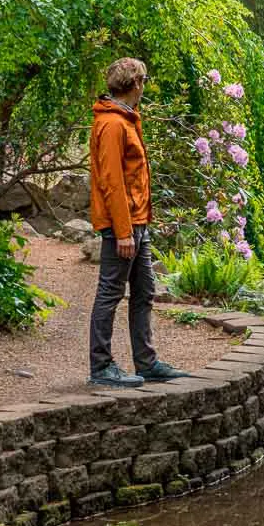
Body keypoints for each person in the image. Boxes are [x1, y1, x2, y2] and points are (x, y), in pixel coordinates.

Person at [87, 57, 189, 387]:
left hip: (138, 223)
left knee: (144, 291)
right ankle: (101, 367)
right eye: (143, 81)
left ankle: (146, 362)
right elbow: (112, 182)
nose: (144, 87)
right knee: (110, 293)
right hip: (124, 226)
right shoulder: (114, 124)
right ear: (136, 84)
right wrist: (123, 231)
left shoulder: (127, 119)